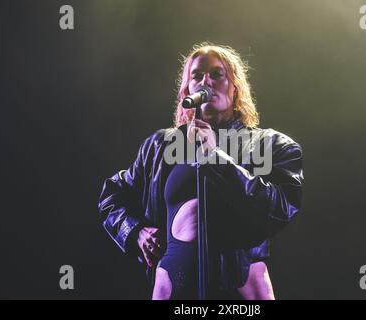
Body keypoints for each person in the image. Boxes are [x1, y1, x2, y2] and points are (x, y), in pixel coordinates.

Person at [98, 43, 304, 300]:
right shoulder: (160, 146)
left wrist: (215, 157)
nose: (206, 80)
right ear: (187, 90)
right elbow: (112, 196)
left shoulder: (269, 145)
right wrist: (137, 232)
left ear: (235, 87)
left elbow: (280, 206)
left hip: (240, 289)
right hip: (172, 287)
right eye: (197, 75)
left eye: (217, 74)